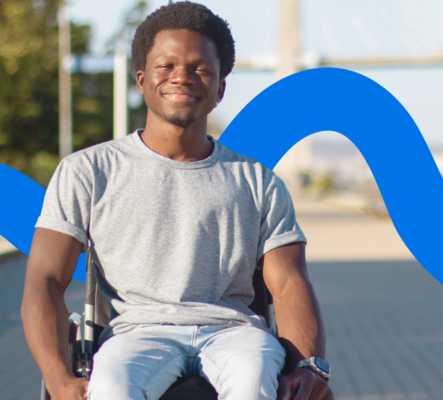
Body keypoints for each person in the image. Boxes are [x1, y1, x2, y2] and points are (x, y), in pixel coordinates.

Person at [21, 2, 334, 399]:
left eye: (200, 68)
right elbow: (44, 281)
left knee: (254, 381)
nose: (182, 77)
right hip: (135, 333)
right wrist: (57, 377)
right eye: (166, 66)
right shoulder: (88, 171)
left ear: (219, 90)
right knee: (111, 388)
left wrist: (311, 366)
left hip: (234, 334)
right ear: (141, 79)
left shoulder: (258, 182)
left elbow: (290, 284)